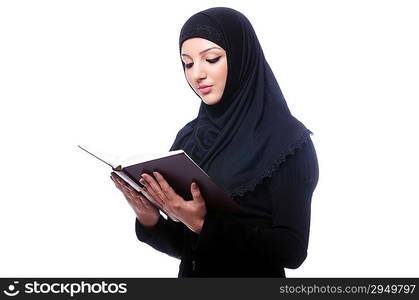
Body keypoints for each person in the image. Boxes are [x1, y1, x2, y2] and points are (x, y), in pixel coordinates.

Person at [110, 7, 319, 277]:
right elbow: (190, 248)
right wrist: (151, 220)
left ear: (241, 58)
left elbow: (292, 251)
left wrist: (203, 224)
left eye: (211, 59)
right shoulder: (189, 138)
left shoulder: (288, 142)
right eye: (188, 63)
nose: (197, 74)